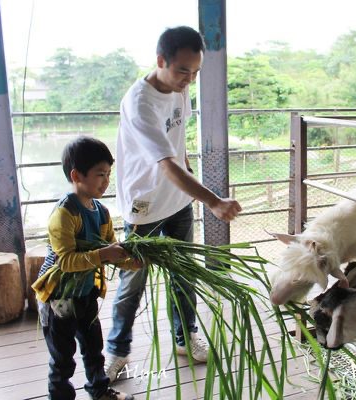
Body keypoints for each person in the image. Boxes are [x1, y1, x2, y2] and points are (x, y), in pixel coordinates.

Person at [105, 26, 241, 381]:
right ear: (160, 60)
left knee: (184, 275)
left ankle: (185, 337)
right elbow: (165, 165)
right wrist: (213, 201)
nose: (189, 79)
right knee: (132, 283)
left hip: (179, 202)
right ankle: (117, 351)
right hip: (144, 206)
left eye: (195, 72)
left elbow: (176, 142)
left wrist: (189, 166)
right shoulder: (140, 103)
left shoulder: (181, 90)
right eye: (183, 70)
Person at [32, 136, 138, 400]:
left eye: (108, 174)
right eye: (100, 174)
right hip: (59, 296)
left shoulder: (101, 212)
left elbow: (112, 249)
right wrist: (105, 253)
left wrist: (131, 262)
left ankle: (99, 391)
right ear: (76, 175)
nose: (106, 181)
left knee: (93, 348)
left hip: (86, 291)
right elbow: (66, 261)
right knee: (62, 357)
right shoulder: (64, 213)